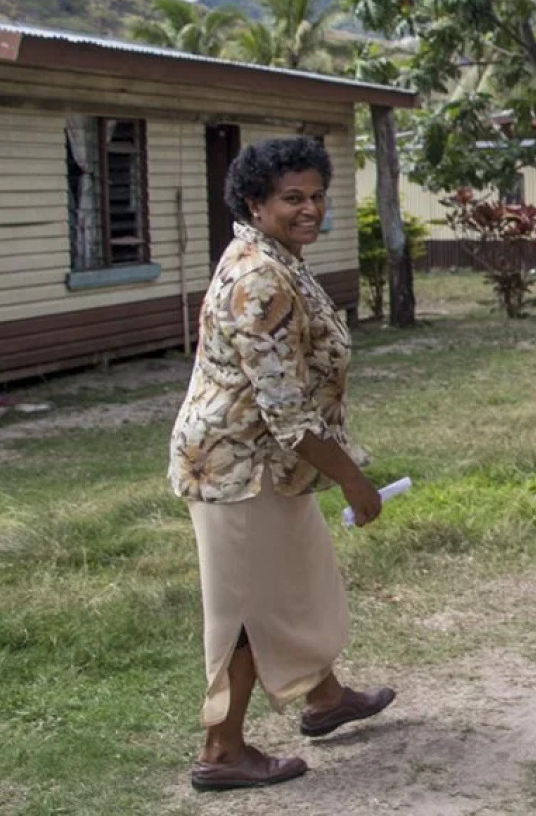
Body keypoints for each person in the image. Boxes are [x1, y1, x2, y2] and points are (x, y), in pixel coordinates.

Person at [168, 136, 396, 792]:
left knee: (298, 577)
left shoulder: (279, 257)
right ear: (254, 203)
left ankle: (324, 698)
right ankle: (221, 750)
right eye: (292, 198)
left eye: (317, 196)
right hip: (236, 468)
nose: (310, 209)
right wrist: (354, 480)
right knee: (245, 607)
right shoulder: (259, 276)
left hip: (271, 465)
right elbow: (287, 413)